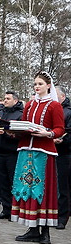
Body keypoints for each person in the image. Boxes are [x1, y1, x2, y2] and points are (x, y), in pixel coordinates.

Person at [11, 71, 64, 244]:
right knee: (27, 188)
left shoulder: (54, 105)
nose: (37, 86)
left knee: (43, 190)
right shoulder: (30, 104)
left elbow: (59, 129)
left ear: (48, 85)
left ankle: (45, 231)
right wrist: (14, 131)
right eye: (35, 84)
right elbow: (24, 125)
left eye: (40, 83)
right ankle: (32, 228)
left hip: (44, 153)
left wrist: (47, 132)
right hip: (26, 151)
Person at [0, 91, 23, 220]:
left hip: (13, 153)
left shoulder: (20, 115)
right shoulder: (1, 113)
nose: (5, 101)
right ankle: (6, 209)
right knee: (2, 182)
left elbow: (21, 135)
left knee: (13, 182)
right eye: (4, 98)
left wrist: (7, 133)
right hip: (0, 152)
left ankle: (16, 210)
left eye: (8, 98)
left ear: (15, 101)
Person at [54, 87, 71, 230]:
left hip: (64, 153)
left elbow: (69, 132)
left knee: (62, 187)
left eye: (56, 95)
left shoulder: (68, 112)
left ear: (63, 96)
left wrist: (63, 141)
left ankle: (62, 217)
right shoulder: (54, 109)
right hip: (51, 152)